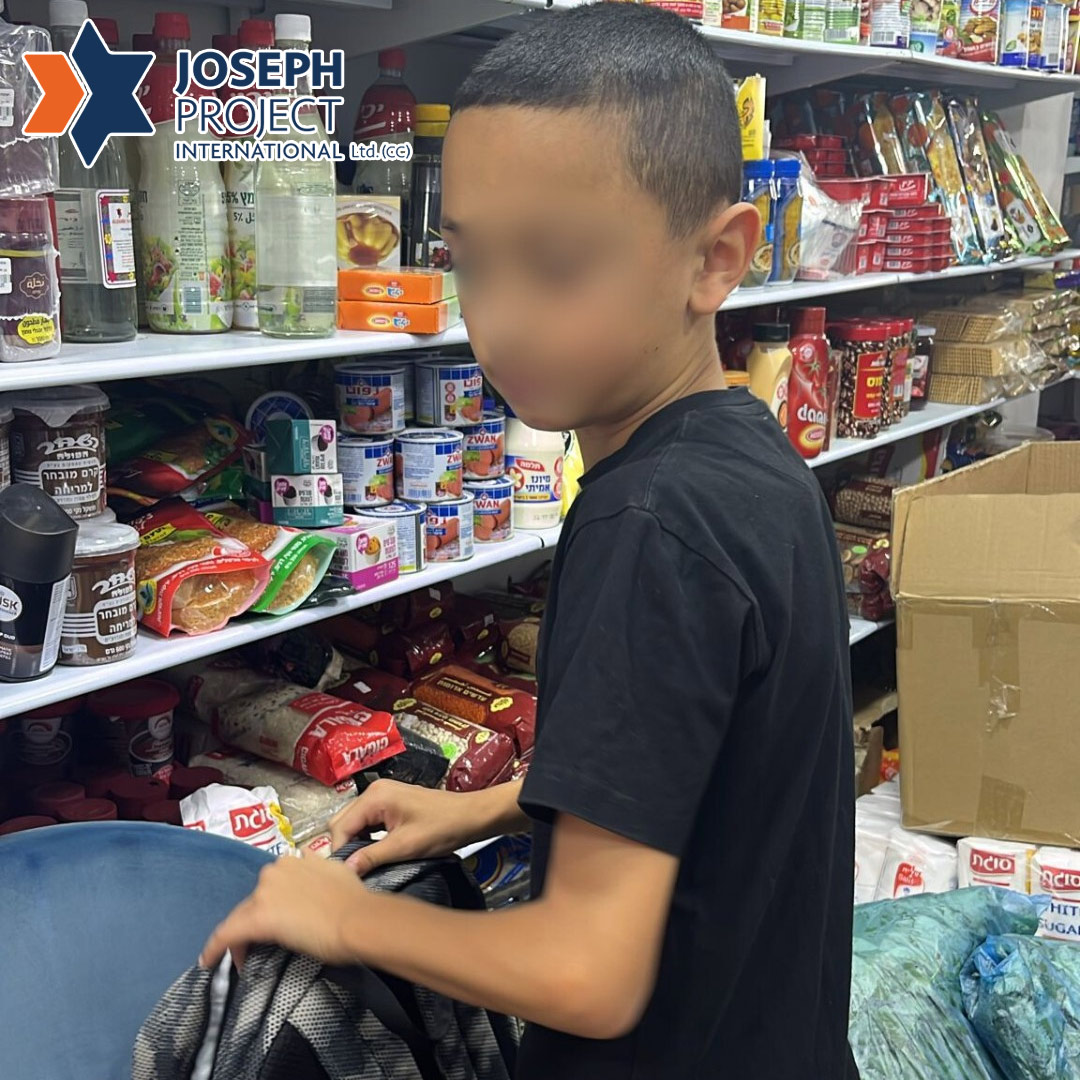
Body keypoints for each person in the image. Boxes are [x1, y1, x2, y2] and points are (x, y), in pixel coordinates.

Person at [201, 3, 858, 1076]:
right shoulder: (749, 461)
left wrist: (345, 916)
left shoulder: (646, 525)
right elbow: (710, 757)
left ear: (716, 258)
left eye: (554, 264)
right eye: (470, 262)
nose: (499, 318)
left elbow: (587, 976)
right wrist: (498, 805)